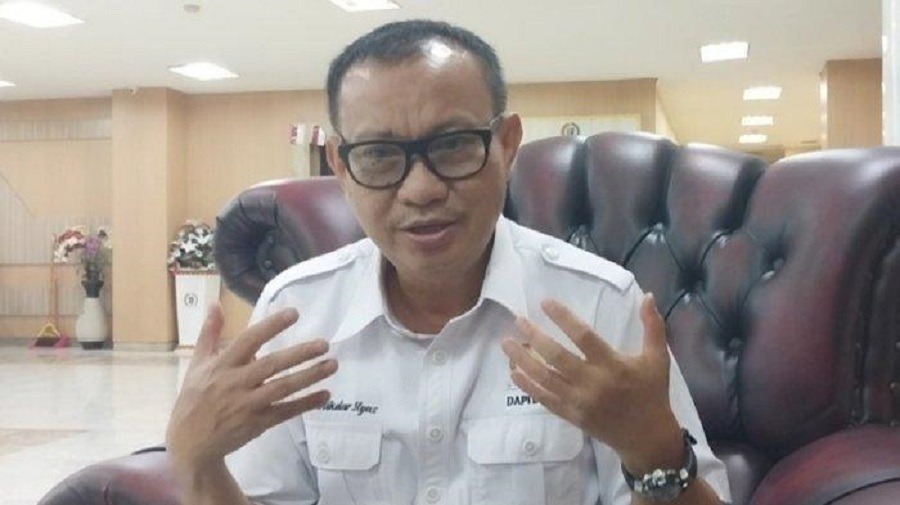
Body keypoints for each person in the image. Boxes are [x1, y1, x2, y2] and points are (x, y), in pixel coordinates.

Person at [166, 19, 732, 505]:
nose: (421, 189)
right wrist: (197, 463)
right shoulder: (296, 313)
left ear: (506, 145)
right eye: (379, 155)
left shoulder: (598, 306)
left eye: (454, 144)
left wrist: (654, 451)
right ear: (339, 166)